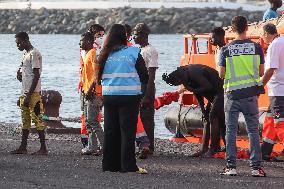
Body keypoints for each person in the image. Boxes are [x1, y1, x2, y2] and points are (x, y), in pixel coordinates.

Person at [98, 24, 150, 173]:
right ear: (125, 37)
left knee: (110, 130)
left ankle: (109, 165)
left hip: (109, 96)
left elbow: (98, 78)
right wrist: (142, 93)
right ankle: (127, 166)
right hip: (129, 97)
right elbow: (144, 76)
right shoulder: (133, 52)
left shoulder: (105, 54)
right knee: (127, 132)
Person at [219, 16, 266, 177]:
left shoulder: (225, 49)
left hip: (232, 95)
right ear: (247, 28)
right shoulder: (257, 47)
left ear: (232, 29)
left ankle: (231, 167)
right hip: (251, 95)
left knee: (231, 131)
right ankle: (255, 168)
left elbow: (221, 74)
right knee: (253, 131)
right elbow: (261, 72)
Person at [162, 64, 225, 157]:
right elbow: (197, 93)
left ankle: (214, 148)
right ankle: (204, 148)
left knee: (213, 117)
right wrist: (202, 108)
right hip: (213, 95)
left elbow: (208, 86)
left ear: (178, 78)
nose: (180, 84)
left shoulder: (193, 72)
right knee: (207, 119)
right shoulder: (185, 77)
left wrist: (193, 89)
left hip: (220, 92)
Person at [11, 31, 47, 155]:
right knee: (25, 120)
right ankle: (23, 147)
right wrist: (20, 76)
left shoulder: (34, 53)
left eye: (19, 43)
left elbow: (36, 75)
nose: (18, 46)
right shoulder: (25, 54)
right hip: (25, 92)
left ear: (25, 40)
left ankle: (43, 148)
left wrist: (28, 95)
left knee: (37, 119)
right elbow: (28, 75)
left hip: (33, 94)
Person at [78, 24, 105, 149]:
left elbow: (96, 74)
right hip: (87, 91)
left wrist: (89, 90)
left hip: (93, 92)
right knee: (89, 121)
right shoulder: (87, 53)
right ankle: (92, 147)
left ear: (89, 41)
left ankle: (105, 147)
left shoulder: (93, 53)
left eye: (81, 41)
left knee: (94, 122)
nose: (80, 44)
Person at [260, 23, 284, 162]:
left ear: (266, 33)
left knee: (279, 122)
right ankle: (265, 151)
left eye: (263, 36)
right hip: (280, 90)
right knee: (270, 120)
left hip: (278, 91)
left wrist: (260, 85)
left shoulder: (274, 45)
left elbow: (271, 69)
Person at [133, 23, 158, 155]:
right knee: (139, 117)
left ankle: (150, 146)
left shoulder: (150, 50)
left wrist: (148, 94)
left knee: (147, 117)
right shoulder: (138, 50)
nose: (133, 36)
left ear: (143, 35)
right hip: (138, 87)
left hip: (146, 87)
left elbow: (152, 74)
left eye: (136, 34)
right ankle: (142, 145)